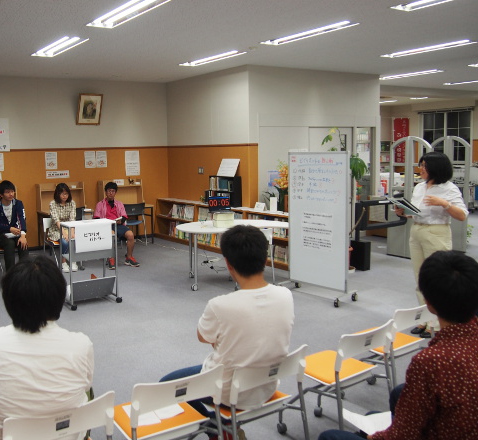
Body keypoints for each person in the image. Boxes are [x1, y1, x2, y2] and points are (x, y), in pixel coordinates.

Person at [317, 250, 478, 440]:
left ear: (428, 303)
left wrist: (374, 437)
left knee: (330, 436)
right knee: (397, 394)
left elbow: (402, 436)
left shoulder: (431, 362)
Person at [160, 225, 294, 423]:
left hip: (227, 392)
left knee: (166, 385)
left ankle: (215, 424)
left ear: (228, 264)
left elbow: (203, 337)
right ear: (265, 259)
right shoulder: (286, 295)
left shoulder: (219, 305)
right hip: (266, 385)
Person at [0, 256, 94, 440]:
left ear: (8, 300)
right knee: (87, 389)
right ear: (59, 298)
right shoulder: (81, 344)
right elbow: (85, 385)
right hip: (67, 435)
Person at [394, 151, 468, 337]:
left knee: (438, 279)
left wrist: (444, 203)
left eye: (424, 166)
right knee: (420, 278)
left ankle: (436, 323)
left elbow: (462, 215)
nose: (421, 169)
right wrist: (403, 212)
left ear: (436, 168)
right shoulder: (419, 187)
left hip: (436, 232)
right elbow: (416, 211)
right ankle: (423, 319)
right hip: (417, 231)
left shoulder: (449, 188)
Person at [93, 181, 139, 269]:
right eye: (109, 191)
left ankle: (129, 257)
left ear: (115, 192)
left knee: (130, 235)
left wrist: (120, 221)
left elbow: (124, 216)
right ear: (106, 192)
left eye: (113, 191)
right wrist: (105, 222)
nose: (111, 193)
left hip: (118, 224)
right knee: (111, 234)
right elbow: (96, 218)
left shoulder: (119, 204)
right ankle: (111, 258)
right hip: (105, 226)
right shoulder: (100, 204)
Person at [0, 180, 29, 272]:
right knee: (9, 243)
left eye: (12, 191)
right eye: (7, 192)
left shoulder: (18, 203)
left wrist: (23, 235)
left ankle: (26, 272)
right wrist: (9, 228)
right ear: (1, 195)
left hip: (15, 234)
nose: (11, 194)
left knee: (23, 242)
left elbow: (22, 219)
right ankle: (11, 274)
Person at [48, 182, 77, 273]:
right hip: (56, 229)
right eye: (62, 194)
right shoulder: (52, 204)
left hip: (69, 227)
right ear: (57, 194)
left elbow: (72, 219)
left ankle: (73, 260)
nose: (64, 196)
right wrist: (64, 233)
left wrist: (71, 232)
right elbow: (56, 220)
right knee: (64, 241)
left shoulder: (72, 203)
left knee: (75, 238)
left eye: (66, 193)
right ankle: (64, 261)